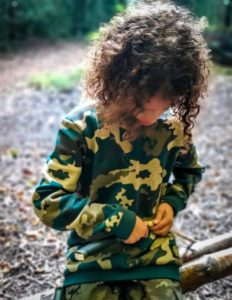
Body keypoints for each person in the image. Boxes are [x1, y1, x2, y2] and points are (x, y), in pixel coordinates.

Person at [32, 0, 211, 299]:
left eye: (166, 104)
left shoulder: (172, 129)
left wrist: (171, 203)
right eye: (141, 103)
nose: (151, 117)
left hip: (156, 260)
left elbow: (189, 172)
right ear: (120, 80)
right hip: (91, 261)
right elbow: (48, 202)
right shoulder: (81, 126)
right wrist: (116, 220)